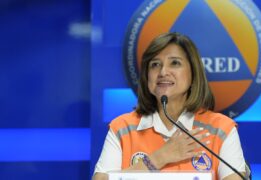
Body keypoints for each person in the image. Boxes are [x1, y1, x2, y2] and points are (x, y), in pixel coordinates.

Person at [93, 32, 248, 180]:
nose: (163, 72)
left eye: (175, 63)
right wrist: (158, 158)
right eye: (155, 64)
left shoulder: (221, 129)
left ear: (193, 74)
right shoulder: (122, 128)